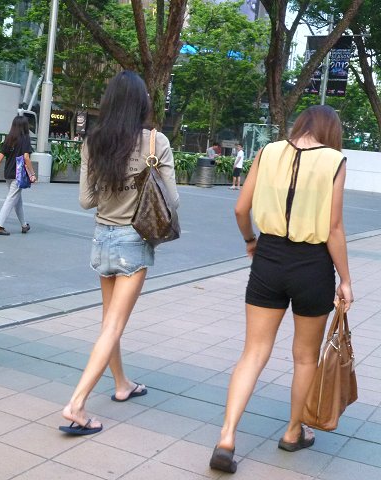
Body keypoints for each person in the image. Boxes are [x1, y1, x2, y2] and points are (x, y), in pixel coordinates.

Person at [209, 105, 353, 473]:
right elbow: (334, 227)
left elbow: (242, 209)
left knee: (253, 352)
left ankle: (226, 437)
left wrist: (251, 241)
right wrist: (346, 280)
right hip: (312, 266)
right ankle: (293, 432)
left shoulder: (268, 151)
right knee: (304, 356)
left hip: (268, 258)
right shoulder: (334, 161)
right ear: (330, 130)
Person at [60, 71, 179, 435]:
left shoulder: (93, 142)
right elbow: (171, 200)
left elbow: (86, 200)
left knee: (108, 323)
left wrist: (112, 188)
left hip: (101, 238)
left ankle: (122, 383)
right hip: (133, 241)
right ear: (142, 103)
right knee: (113, 326)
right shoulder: (155, 142)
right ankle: (76, 404)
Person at [0, 115, 36, 235]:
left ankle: (24, 225)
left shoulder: (9, 138)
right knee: (11, 199)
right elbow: (26, 157)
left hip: (8, 172)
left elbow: (0, 156)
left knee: (17, 199)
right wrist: (32, 174)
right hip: (18, 174)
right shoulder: (25, 138)